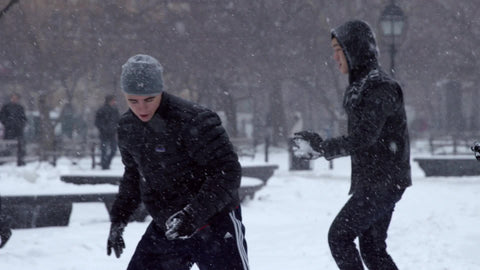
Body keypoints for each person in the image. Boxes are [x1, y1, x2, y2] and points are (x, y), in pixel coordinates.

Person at [106, 54, 249, 270]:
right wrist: (119, 219)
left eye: (149, 99)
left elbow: (228, 172)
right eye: (133, 101)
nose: (141, 108)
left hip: (215, 222)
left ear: (160, 92)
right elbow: (134, 174)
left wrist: (192, 215)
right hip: (168, 224)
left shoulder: (194, 120)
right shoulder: (128, 128)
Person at [293, 20, 411, 270]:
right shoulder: (362, 87)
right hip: (378, 180)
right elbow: (364, 138)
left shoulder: (379, 86)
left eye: (338, 49)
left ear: (354, 50)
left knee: (339, 237)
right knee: (373, 249)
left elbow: (364, 137)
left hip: (384, 181)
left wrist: (324, 148)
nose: (335, 57)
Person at [0, 93, 27, 166]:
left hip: (18, 130)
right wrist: (8, 123)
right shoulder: (6, 107)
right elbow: (2, 117)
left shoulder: (20, 108)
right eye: (13, 98)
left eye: (16, 98)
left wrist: (20, 125)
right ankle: (4, 161)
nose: (14, 99)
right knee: (7, 145)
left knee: (20, 145)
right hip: (9, 130)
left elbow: (23, 118)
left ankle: (20, 161)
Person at [95, 95, 120, 170]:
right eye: (113, 100)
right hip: (105, 133)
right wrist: (104, 128)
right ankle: (105, 164)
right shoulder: (102, 110)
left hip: (111, 133)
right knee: (105, 149)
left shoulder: (114, 110)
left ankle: (106, 163)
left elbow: (118, 121)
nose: (114, 102)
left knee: (112, 149)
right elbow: (98, 122)